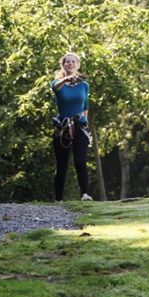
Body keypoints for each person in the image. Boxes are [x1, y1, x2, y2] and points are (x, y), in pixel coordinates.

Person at [51, 52, 93, 202]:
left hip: (80, 125)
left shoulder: (84, 85)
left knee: (80, 161)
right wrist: (66, 79)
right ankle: (59, 199)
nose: (70, 64)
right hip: (63, 126)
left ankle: (85, 194)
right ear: (63, 66)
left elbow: (85, 106)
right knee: (62, 164)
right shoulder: (57, 83)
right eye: (67, 62)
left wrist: (85, 124)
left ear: (77, 65)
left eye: (73, 62)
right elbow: (55, 88)